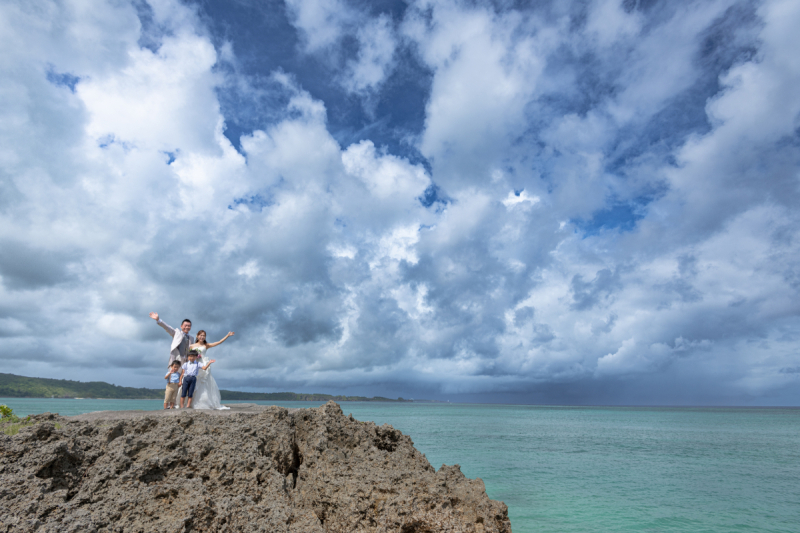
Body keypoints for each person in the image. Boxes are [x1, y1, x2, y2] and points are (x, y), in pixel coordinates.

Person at [189, 330, 234, 410]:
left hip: (204, 365)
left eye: (203, 335)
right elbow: (189, 356)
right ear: (197, 336)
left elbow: (219, 342)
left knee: (204, 384)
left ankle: (203, 402)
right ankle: (190, 402)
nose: (202, 337)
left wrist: (227, 335)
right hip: (194, 365)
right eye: (200, 335)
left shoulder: (206, 345)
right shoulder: (192, 346)